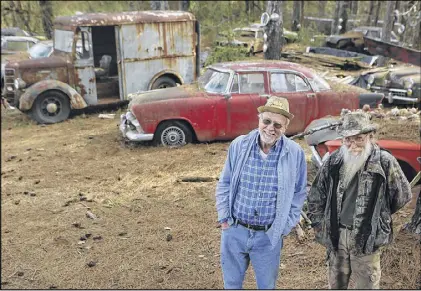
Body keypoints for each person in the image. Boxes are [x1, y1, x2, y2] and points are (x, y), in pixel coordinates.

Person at [307, 112, 412, 289]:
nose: (353, 145)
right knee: (336, 284)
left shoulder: (384, 162)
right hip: (337, 235)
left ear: (370, 137)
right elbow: (316, 195)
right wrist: (320, 226)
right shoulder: (334, 161)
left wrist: (379, 218)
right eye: (348, 139)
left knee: (366, 285)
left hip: (367, 237)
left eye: (359, 138)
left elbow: (402, 195)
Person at [215, 96, 307, 289]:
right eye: (266, 121)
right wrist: (224, 218)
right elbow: (225, 182)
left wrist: (285, 226)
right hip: (235, 231)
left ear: (285, 127)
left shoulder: (295, 153)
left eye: (277, 125)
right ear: (259, 120)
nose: (270, 128)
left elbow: (299, 192)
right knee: (231, 285)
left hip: (268, 236)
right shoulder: (239, 145)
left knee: (267, 287)